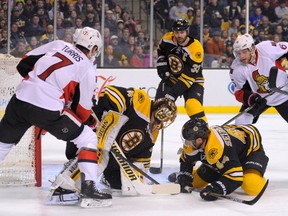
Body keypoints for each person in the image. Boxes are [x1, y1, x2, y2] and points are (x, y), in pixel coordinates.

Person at [0, 27, 110, 208]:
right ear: (94, 49)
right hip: (48, 110)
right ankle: (90, 191)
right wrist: (90, 120)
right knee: (88, 138)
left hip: (20, 99)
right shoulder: (87, 68)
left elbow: (24, 64)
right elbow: (82, 111)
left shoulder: (58, 44)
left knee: (3, 144)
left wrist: (40, 87)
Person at [46, 86, 177, 204]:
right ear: (154, 110)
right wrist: (107, 115)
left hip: (112, 152)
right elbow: (111, 92)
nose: (157, 126)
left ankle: (100, 176)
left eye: (162, 123)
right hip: (90, 130)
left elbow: (141, 161)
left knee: (120, 184)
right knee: (100, 152)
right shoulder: (142, 101)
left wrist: (139, 179)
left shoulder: (153, 133)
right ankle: (65, 186)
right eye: (157, 119)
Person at [174, 118, 269, 201]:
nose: (186, 144)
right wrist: (185, 175)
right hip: (226, 155)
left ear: (199, 140)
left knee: (251, 185)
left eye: (188, 141)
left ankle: (251, 172)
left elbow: (236, 176)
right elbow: (186, 160)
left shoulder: (220, 148)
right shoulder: (195, 144)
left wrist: (218, 189)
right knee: (195, 183)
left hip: (249, 151)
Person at [229, 33, 288, 124]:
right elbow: (239, 92)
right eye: (238, 53)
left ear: (252, 48)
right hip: (260, 99)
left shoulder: (266, 48)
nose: (242, 56)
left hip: (283, 95)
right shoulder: (236, 68)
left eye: (244, 52)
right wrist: (252, 98)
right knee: (240, 123)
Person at [155, 18, 207, 122]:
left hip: (193, 81)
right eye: (177, 32)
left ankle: (203, 131)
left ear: (187, 32)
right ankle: (149, 136)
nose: (179, 35)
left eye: (182, 32)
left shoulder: (195, 48)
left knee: (192, 106)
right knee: (157, 109)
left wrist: (172, 94)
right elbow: (161, 50)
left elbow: (189, 78)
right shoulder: (167, 38)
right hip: (172, 77)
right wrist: (162, 64)